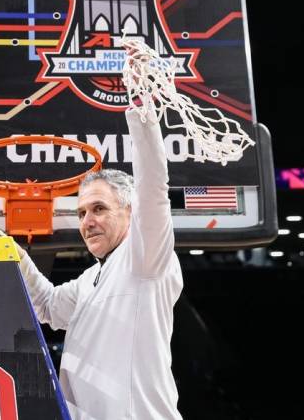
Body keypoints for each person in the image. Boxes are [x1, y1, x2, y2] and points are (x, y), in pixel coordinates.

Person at [16, 105, 184, 419]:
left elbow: (153, 190)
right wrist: (20, 258)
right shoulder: (91, 278)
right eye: (82, 213)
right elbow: (49, 307)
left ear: (131, 212)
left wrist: (142, 114)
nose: (88, 221)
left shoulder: (144, 259)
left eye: (99, 209)